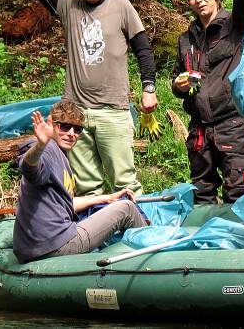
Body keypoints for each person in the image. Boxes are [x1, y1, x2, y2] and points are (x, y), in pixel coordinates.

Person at [16, 0, 157, 196]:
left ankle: (134, 235)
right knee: (85, 186)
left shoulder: (121, 6)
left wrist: (149, 87)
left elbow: (143, 48)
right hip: (76, 115)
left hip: (113, 111)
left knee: (125, 182)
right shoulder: (69, 6)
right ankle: (93, 236)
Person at [171, 0, 244, 204]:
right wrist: (179, 85)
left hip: (230, 123)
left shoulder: (235, 26)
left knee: (237, 195)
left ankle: (238, 244)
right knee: (202, 194)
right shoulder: (186, 39)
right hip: (198, 129)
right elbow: (176, 80)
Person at [13, 99, 148, 263]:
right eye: (64, 126)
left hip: (35, 247)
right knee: (126, 208)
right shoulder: (46, 150)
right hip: (58, 245)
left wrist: (106, 198)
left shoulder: (61, 155)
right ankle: (156, 254)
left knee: (115, 205)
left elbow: (66, 203)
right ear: (52, 125)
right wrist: (41, 145)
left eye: (77, 129)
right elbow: (29, 169)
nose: (71, 133)